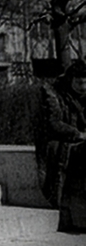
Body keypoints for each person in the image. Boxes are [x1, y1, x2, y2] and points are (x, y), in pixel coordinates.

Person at [35, 59, 86, 233]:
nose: (83, 87)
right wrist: (79, 134)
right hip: (56, 141)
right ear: (71, 79)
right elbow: (53, 123)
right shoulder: (52, 93)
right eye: (79, 82)